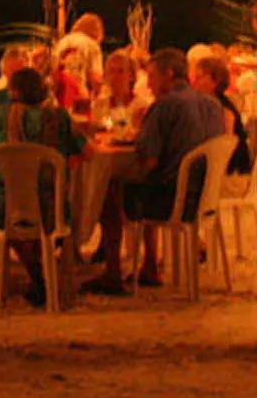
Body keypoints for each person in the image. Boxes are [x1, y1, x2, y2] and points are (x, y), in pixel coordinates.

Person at [87, 48, 225, 293]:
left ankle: (113, 273)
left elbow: (149, 160)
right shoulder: (213, 105)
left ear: (168, 74)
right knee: (148, 181)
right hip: (205, 198)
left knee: (112, 187)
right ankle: (150, 265)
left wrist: (142, 131)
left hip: (171, 201)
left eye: (151, 77)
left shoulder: (165, 106)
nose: (148, 84)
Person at [0, 66, 84, 307]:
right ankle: (43, 276)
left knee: (14, 223)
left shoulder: (0, 116)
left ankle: (39, 277)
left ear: (14, 91)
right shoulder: (59, 117)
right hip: (52, 207)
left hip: (7, 208)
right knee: (45, 223)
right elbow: (88, 152)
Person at [189, 53, 252, 176]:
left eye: (200, 77)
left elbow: (227, 145)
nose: (194, 81)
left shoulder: (224, 108)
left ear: (215, 82)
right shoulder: (209, 104)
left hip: (231, 173)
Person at [92, 49, 149, 134]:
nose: (114, 76)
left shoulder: (141, 106)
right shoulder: (99, 105)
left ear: (131, 76)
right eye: (111, 71)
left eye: (120, 71)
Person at [53, 14, 105, 94]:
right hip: (79, 96)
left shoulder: (61, 42)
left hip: (60, 94)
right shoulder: (92, 46)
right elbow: (95, 80)